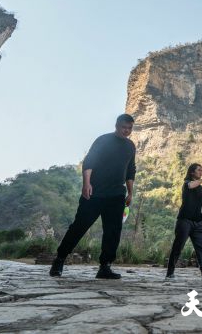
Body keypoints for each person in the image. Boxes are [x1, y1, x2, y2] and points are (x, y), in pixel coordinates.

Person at [50, 114, 136, 280]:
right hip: (95, 192)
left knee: (113, 231)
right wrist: (86, 184)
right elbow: (89, 162)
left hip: (117, 194)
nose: (127, 131)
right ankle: (59, 259)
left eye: (130, 128)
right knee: (79, 226)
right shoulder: (103, 140)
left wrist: (130, 192)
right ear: (117, 125)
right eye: (124, 127)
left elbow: (131, 169)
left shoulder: (130, 146)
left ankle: (105, 266)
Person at [165, 163, 202, 281]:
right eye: (198, 170)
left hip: (197, 222)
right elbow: (190, 185)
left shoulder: (200, 189)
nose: (201, 172)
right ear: (192, 172)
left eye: (201, 170)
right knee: (178, 247)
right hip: (185, 220)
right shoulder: (187, 184)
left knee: (201, 247)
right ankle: (170, 273)